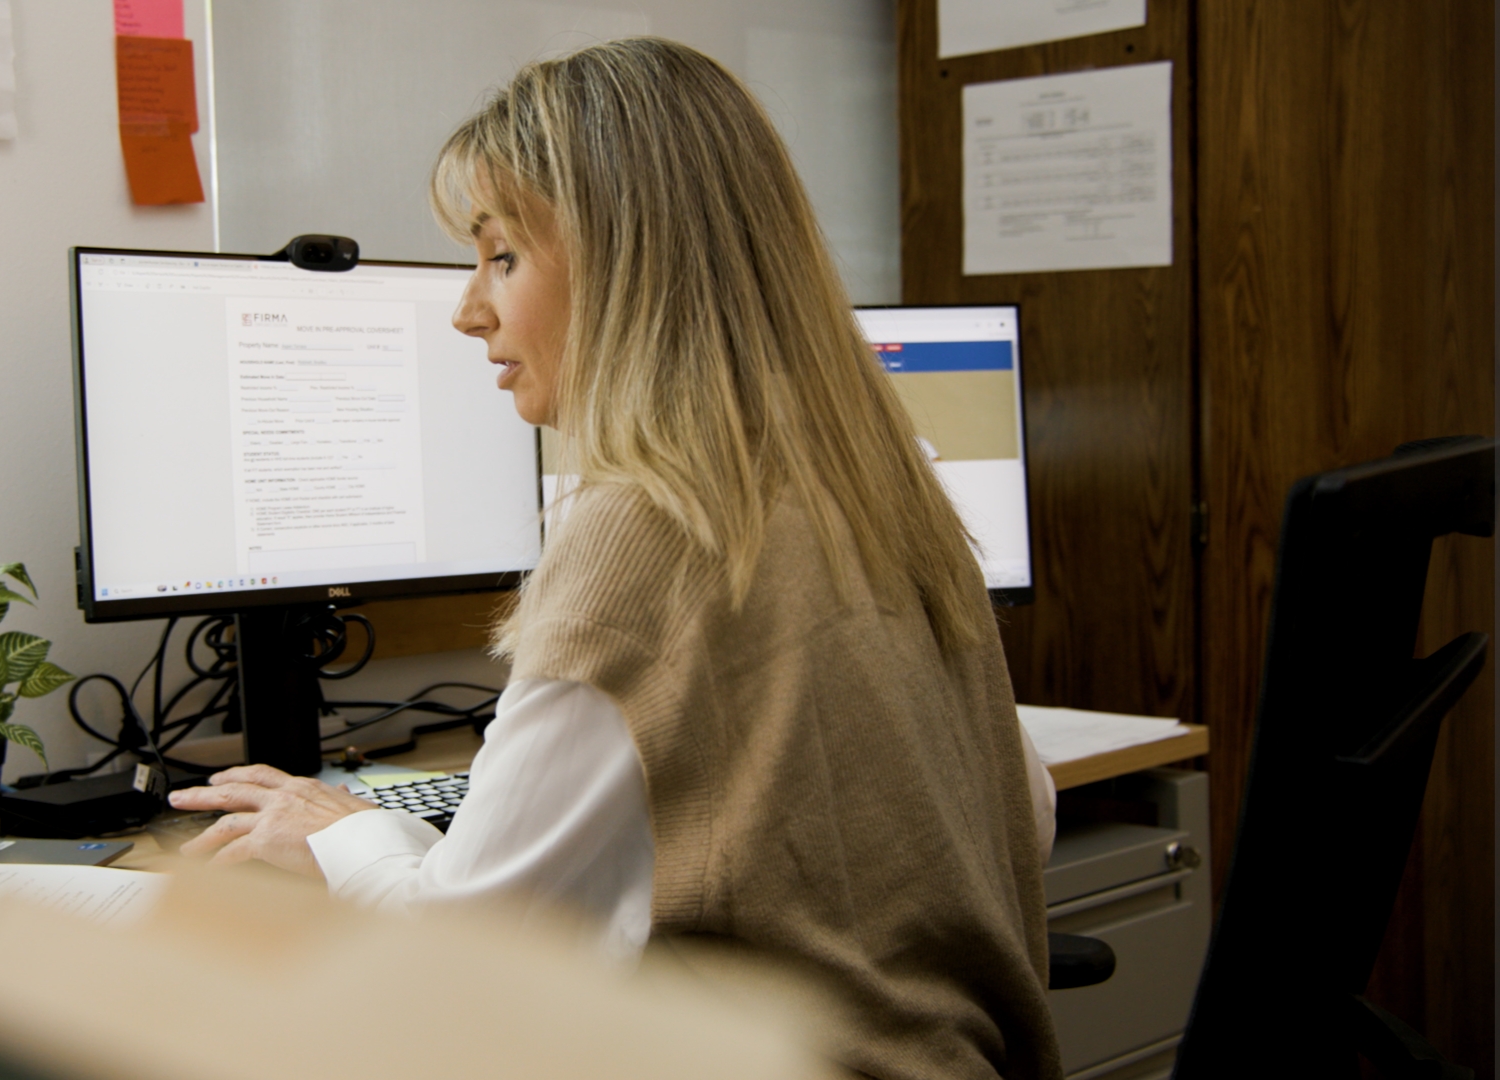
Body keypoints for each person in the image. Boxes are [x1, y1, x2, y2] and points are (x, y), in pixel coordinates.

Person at [169, 37, 1061, 1080]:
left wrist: (344, 838)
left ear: (624, 262)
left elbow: (463, 958)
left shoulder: (646, 524)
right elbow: (1023, 816)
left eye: (501, 256)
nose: (469, 310)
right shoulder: (879, 482)